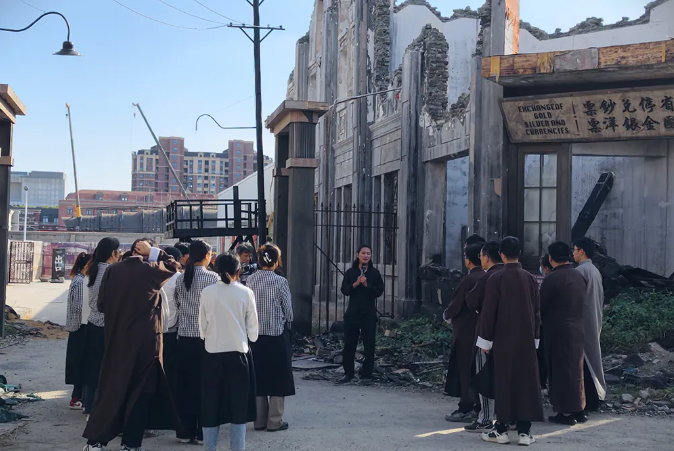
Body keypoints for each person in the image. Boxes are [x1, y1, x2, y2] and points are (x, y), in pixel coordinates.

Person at [83, 239, 181, 451]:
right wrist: (155, 252)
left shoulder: (113, 270)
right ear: (145, 253)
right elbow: (174, 265)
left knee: (111, 391)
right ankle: (130, 444)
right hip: (146, 345)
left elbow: (101, 305)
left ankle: (96, 442)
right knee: (141, 394)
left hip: (117, 342)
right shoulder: (151, 270)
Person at [476, 237, 544, 446]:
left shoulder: (496, 278)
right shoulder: (530, 278)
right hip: (526, 339)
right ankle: (524, 431)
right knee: (525, 383)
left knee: (503, 382)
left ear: (502, 255)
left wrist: (485, 341)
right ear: (519, 253)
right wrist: (535, 338)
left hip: (502, 339)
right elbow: (537, 311)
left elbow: (489, 312)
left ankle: (501, 429)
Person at [199, 253, 259, 451]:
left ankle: (209, 447)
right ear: (238, 270)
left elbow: (202, 328)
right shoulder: (245, 292)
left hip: (212, 353)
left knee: (210, 404)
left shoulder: (207, 292)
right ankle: (237, 448)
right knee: (238, 406)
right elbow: (253, 332)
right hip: (238, 354)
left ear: (216, 269)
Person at [174, 239, 219, 444]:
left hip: (184, 338)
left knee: (186, 386)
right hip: (207, 339)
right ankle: (204, 433)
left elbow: (177, 304)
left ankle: (185, 431)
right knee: (207, 387)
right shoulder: (213, 278)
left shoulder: (181, 278)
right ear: (207, 255)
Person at [246, 243, 295, 432]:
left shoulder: (250, 280)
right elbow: (289, 312)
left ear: (259, 260)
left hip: (254, 336)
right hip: (276, 335)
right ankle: (275, 421)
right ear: (276, 261)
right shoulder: (280, 281)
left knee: (258, 376)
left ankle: (259, 421)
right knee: (278, 377)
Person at [540, 241, 587, 425]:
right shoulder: (578, 276)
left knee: (561, 372)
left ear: (551, 258)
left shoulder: (552, 279)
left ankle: (566, 413)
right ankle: (579, 409)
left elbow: (541, 306)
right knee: (575, 371)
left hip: (558, 331)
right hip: (577, 328)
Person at [463, 240, 503, 433]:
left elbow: (471, 301)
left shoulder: (488, 277)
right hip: (512, 335)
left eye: (481, 256)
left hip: (487, 335)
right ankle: (508, 418)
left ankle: (486, 417)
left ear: (487, 257)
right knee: (506, 377)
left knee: (484, 375)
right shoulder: (522, 276)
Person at [443, 243, 484, 423]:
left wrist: (447, 315)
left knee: (465, 370)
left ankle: (466, 406)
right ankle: (480, 407)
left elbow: (456, 304)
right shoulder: (490, 276)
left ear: (468, 260)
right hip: (485, 331)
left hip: (467, 330)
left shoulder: (470, 279)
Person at [82, 237, 120, 417]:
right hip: (107, 325)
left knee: (92, 366)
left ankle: (89, 406)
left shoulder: (94, 268)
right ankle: (101, 409)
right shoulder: (112, 271)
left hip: (93, 323)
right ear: (113, 252)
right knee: (106, 369)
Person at [337, 245, 385, 385]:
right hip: (353, 313)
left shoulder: (374, 273)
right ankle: (348, 373)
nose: (366, 256)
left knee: (369, 344)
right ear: (358, 255)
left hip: (368, 313)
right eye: (363, 253)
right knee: (349, 344)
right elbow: (345, 290)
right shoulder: (350, 272)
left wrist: (366, 285)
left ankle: (366, 375)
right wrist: (356, 284)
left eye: (368, 253)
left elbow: (379, 291)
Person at [573, 237, 607, 413]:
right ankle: (596, 398)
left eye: (574, 249)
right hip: (594, 318)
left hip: (583, 321)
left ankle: (589, 400)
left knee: (584, 362)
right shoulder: (594, 270)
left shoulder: (579, 272)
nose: (573, 253)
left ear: (582, 251)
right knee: (592, 359)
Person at [65, 252, 91, 410]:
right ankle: (76, 398)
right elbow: (79, 306)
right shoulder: (81, 281)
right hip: (81, 327)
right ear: (87, 266)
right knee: (81, 363)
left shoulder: (77, 279)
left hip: (78, 326)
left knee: (79, 362)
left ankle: (78, 396)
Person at [160, 246, 183, 406]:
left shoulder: (153, 273)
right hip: (172, 329)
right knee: (170, 369)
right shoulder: (178, 278)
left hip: (154, 329)